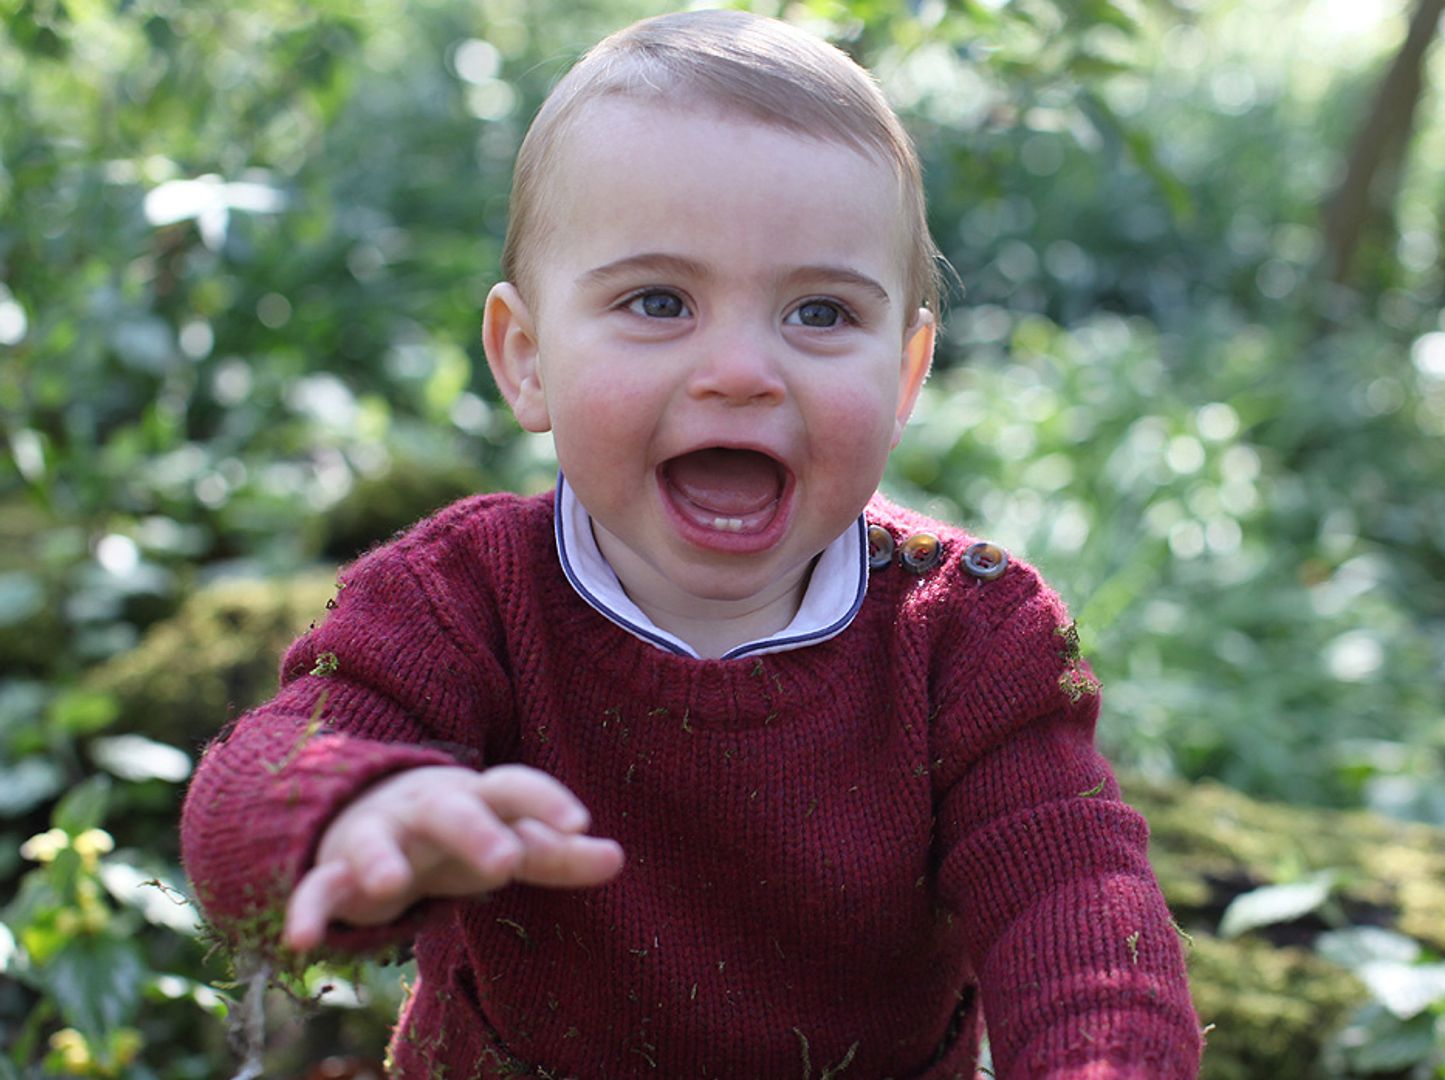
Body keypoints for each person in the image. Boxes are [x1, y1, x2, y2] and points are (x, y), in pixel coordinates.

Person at [180, 9, 1203, 1078]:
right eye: (659, 301)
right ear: (527, 359)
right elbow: (253, 784)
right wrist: (351, 806)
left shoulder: (968, 635)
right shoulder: (462, 599)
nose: (741, 371)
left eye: (818, 313)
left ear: (904, 378)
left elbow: (1077, 901)